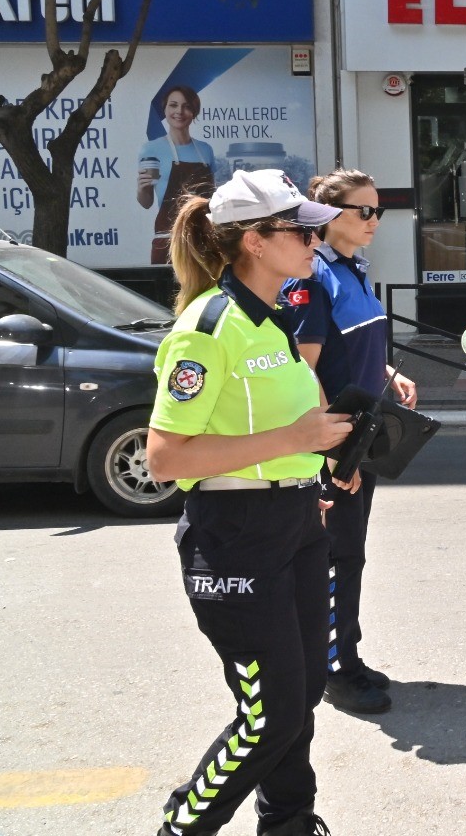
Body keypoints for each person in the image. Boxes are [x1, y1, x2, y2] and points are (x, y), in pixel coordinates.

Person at [146, 169, 353, 836]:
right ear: (257, 242)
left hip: (293, 523)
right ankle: (185, 823)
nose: (315, 237)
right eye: (300, 228)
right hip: (233, 534)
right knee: (270, 717)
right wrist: (292, 439)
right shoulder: (206, 327)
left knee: (302, 700)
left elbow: (284, 429)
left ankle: (289, 825)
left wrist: (324, 461)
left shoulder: (275, 318)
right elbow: (164, 458)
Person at [281, 169, 417, 716]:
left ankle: (345, 655)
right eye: (364, 211)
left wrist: (387, 372)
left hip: (360, 435)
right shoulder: (314, 279)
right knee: (338, 558)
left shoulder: (353, 270)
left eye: (378, 211)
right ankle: (337, 669)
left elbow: (349, 349)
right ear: (330, 216)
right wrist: (334, 449)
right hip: (336, 443)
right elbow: (306, 370)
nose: (374, 221)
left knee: (350, 554)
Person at [138, 85, 223, 264]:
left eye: (186, 106)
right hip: (169, 241)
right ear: (165, 109)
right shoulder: (151, 148)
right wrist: (142, 188)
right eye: (173, 105)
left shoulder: (205, 150)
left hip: (202, 240)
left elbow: (212, 198)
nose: (179, 111)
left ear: (194, 112)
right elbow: (146, 203)